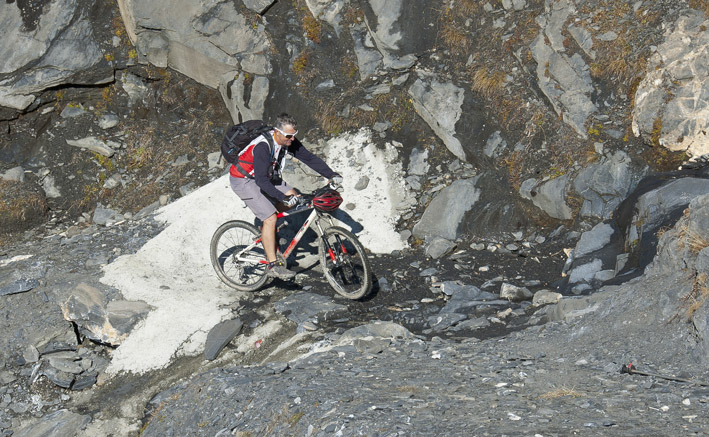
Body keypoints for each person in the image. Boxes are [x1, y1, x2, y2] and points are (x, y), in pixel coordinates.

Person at [229, 113, 342, 279]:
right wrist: (281, 198)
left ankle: (267, 229)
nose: (292, 140)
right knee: (270, 218)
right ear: (277, 132)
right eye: (289, 136)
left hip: (267, 176)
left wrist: (332, 175)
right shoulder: (262, 146)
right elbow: (260, 181)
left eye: (294, 135)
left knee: (293, 196)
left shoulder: (288, 140)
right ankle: (273, 265)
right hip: (244, 180)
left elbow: (309, 158)